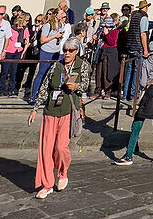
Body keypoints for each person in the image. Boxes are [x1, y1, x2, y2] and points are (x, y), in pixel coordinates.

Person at [29, 37, 90, 199]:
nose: (67, 53)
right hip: (50, 110)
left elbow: (86, 85)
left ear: (77, 51)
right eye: (65, 50)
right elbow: (44, 87)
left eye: (70, 51)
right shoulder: (56, 65)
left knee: (61, 147)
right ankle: (47, 184)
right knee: (46, 149)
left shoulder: (83, 66)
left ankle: (63, 172)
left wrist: (76, 86)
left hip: (68, 110)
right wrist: (35, 108)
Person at [32, 7, 71, 100]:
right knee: (42, 73)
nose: (63, 15)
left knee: (52, 74)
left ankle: (46, 95)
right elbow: (42, 40)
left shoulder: (61, 25)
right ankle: (34, 95)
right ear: (56, 15)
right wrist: (55, 36)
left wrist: (59, 37)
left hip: (55, 51)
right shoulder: (47, 25)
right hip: (46, 51)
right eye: (61, 14)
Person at [121, 0, 151, 100]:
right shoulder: (144, 17)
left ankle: (125, 94)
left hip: (130, 46)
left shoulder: (133, 16)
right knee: (136, 71)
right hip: (138, 48)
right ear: (146, 8)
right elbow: (143, 34)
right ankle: (132, 95)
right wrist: (145, 49)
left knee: (129, 70)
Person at [0, 11, 29, 97]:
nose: (27, 22)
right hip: (9, 51)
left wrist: (23, 51)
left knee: (13, 72)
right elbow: (7, 39)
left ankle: (11, 90)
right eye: (26, 20)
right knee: (5, 71)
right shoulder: (12, 28)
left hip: (18, 51)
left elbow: (27, 40)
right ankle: (1, 90)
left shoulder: (25, 29)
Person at [16, 13, 44, 96]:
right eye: (36, 20)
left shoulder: (42, 30)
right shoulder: (31, 28)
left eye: (39, 21)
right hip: (28, 51)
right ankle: (17, 87)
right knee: (21, 70)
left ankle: (28, 86)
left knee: (32, 71)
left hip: (36, 52)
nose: (37, 22)